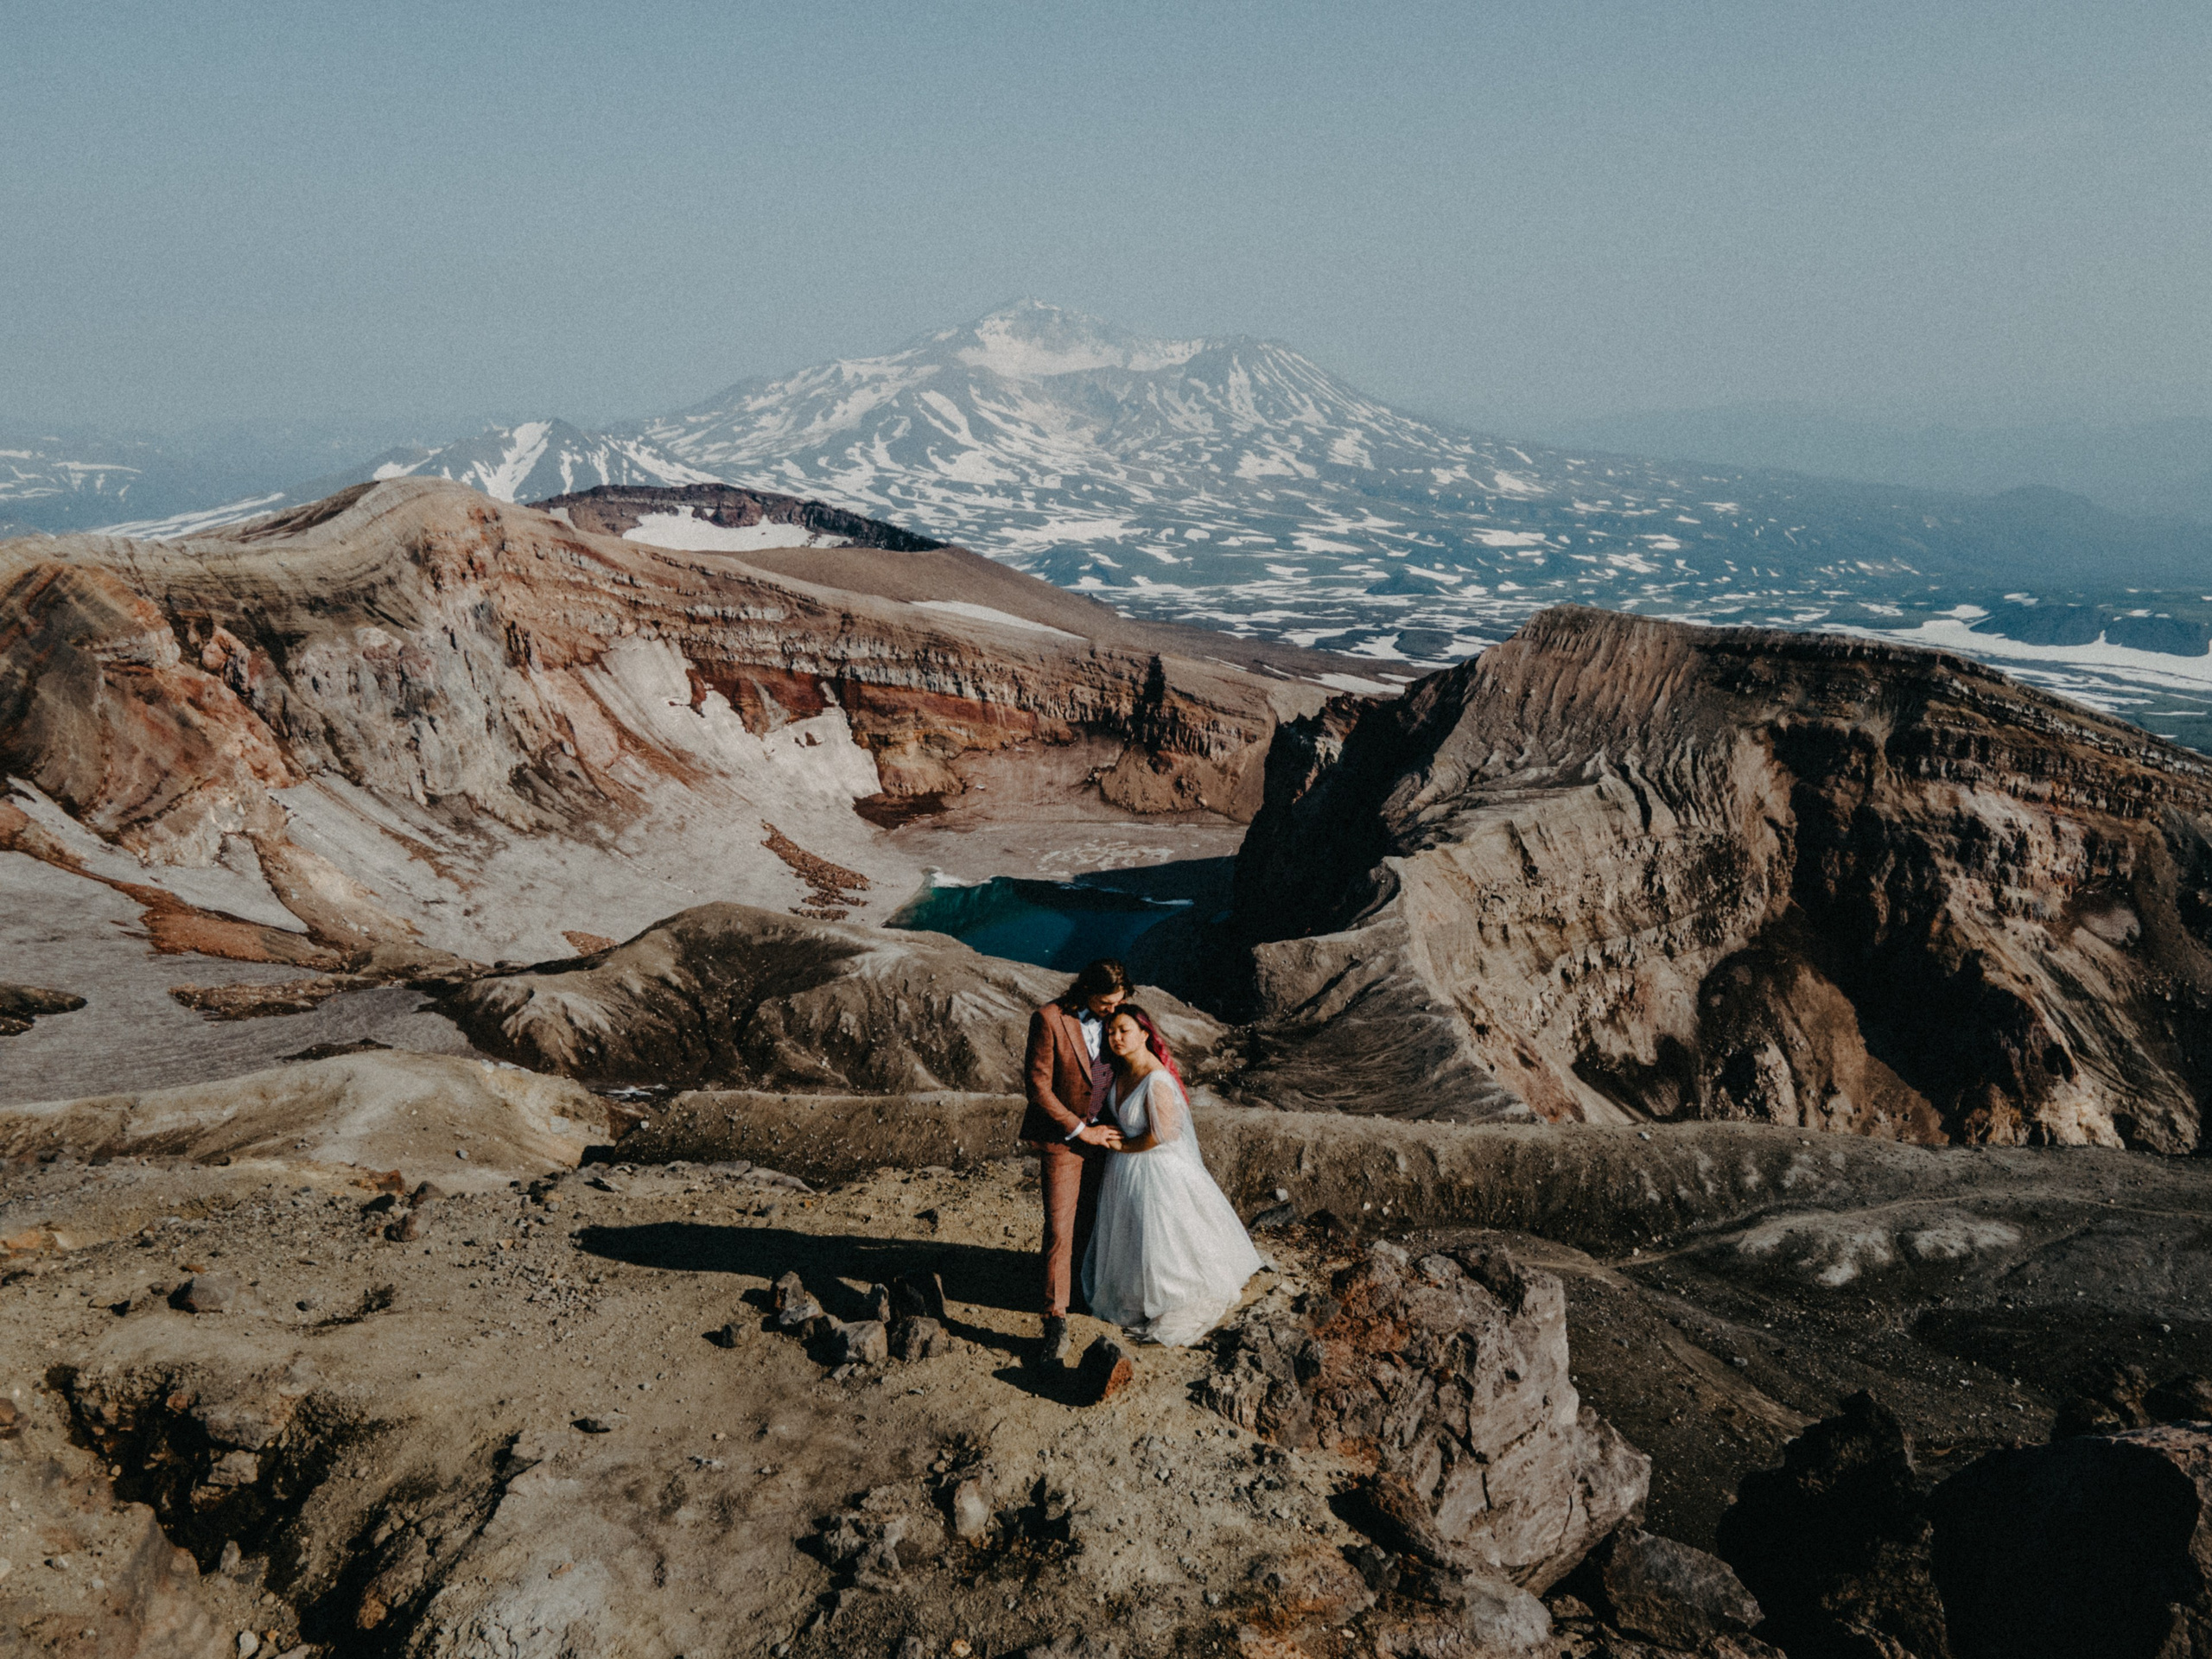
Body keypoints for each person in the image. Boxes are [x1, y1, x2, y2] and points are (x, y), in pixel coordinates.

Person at [1082, 1004, 1262, 1348]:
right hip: (1125, 1170)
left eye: (1124, 1031)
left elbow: (1163, 1133)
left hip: (1155, 1170)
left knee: (1161, 1239)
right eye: (1111, 1032)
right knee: (1132, 1237)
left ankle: (1167, 1296)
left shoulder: (1156, 1079)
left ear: (1145, 1034)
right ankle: (1135, 1295)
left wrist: (1126, 1148)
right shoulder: (1121, 1073)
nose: (1116, 1038)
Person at [1021, 958, 1134, 1366]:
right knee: (1059, 1227)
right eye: (1105, 1003)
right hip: (1064, 1141)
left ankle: (1085, 1292)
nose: (1111, 1010)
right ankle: (1054, 1317)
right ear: (1086, 991)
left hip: (1106, 1138)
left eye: (1117, 1002)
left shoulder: (1117, 1019)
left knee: (1094, 1219)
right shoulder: (1049, 1019)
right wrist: (1079, 1130)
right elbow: (1037, 1086)